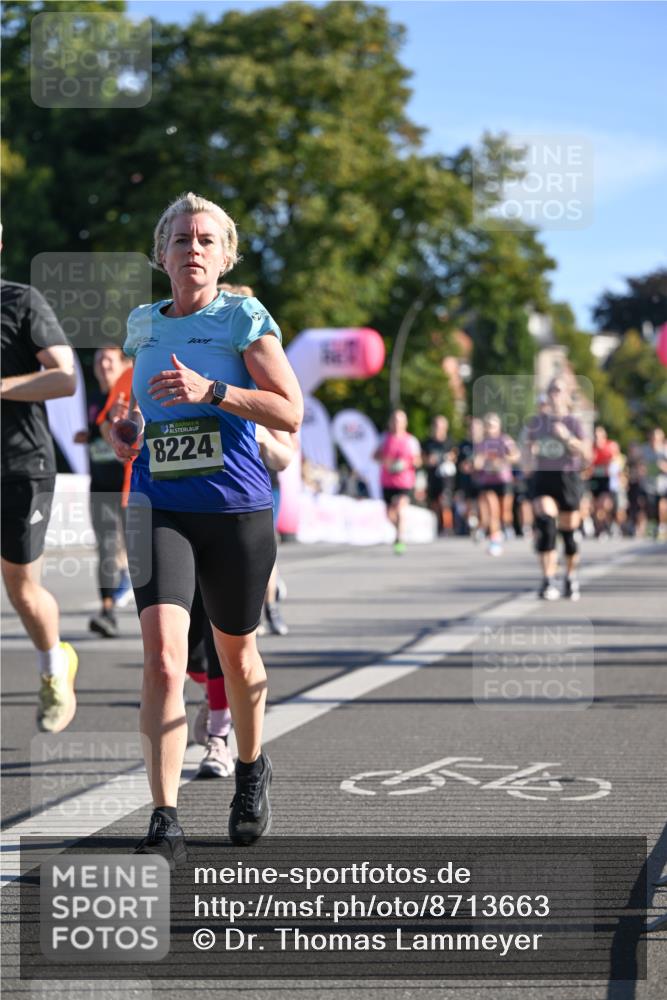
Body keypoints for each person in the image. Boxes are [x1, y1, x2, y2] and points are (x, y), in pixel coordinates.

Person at [109, 192, 303, 863]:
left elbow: (289, 411)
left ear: (225, 257)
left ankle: (250, 766)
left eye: (205, 240)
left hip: (235, 510)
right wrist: (128, 430)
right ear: (161, 255)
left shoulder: (243, 317)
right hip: (159, 505)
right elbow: (144, 412)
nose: (192, 248)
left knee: (236, 657)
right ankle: (165, 818)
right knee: (163, 661)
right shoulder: (142, 324)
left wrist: (213, 391)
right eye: (181, 239)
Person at [1, 249, 79, 732]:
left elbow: (64, 377)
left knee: (22, 588)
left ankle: (54, 666)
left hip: (20, 467)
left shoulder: (20, 301)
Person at [74, 346, 133, 638]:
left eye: (109, 359)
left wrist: (112, 424)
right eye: (99, 360)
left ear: (124, 364)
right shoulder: (93, 398)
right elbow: (98, 431)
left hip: (132, 486)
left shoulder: (131, 395)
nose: (103, 365)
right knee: (106, 548)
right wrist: (89, 434)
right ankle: (107, 611)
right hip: (101, 485)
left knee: (141, 550)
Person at [524, 377, 590, 600]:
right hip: (544, 477)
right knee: (546, 526)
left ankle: (570, 577)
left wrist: (567, 437)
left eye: (558, 390)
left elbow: (587, 453)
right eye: (551, 389)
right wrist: (528, 457)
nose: (554, 394)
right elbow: (526, 449)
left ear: (566, 395)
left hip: (567, 478)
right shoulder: (536, 422)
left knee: (569, 534)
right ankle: (548, 580)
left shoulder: (574, 422)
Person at [374, 409, 421, 554]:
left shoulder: (411, 440)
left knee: (400, 508)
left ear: (405, 423)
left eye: (399, 421)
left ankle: (399, 538)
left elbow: (418, 460)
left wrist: (405, 464)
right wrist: (387, 462)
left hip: (404, 482)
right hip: (387, 481)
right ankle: (400, 529)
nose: (396, 424)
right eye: (394, 421)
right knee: (389, 514)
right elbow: (375, 456)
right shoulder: (384, 438)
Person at [473, 412, 519, 556]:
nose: (490, 429)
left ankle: (506, 528)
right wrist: (478, 462)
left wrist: (503, 460)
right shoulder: (482, 443)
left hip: (503, 480)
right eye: (487, 426)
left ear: (498, 426)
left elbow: (516, 456)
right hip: (488, 481)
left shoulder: (504, 440)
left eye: (492, 426)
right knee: (493, 511)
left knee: (504, 513)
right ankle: (495, 541)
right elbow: (477, 461)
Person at [422, 415, 457, 536]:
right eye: (436, 426)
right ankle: (435, 526)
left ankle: (447, 527)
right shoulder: (428, 443)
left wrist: (448, 457)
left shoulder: (450, 442)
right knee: (434, 503)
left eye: (441, 426)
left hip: (446, 478)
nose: (439, 428)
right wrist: (429, 460)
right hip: (432, 476)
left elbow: (455, 456)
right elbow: (422, 458)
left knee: (445, 501)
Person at [586, 424, 619, 539]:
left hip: (607, 480)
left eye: (599, 436)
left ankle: (608, 524)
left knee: (604, 504)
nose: (597, 438)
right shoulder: (591, 448)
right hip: (594, 479)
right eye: (595, 436)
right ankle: (600, 528)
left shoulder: (611, 446)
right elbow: (587, 464)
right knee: (596, 506)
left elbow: (616, 462)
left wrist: (610, 465)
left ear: (604, 436)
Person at [640, 427, 667, 541]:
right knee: (651, 508)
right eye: (653, 438)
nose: (655, 440)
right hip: (649, 486)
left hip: (664, 484)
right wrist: (642, 469)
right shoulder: (644, 450)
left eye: (657, 438)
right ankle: (655, 527)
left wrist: (663, 467)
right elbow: (640, 465)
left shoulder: (665, 450)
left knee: (662, 506)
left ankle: (663, 527)